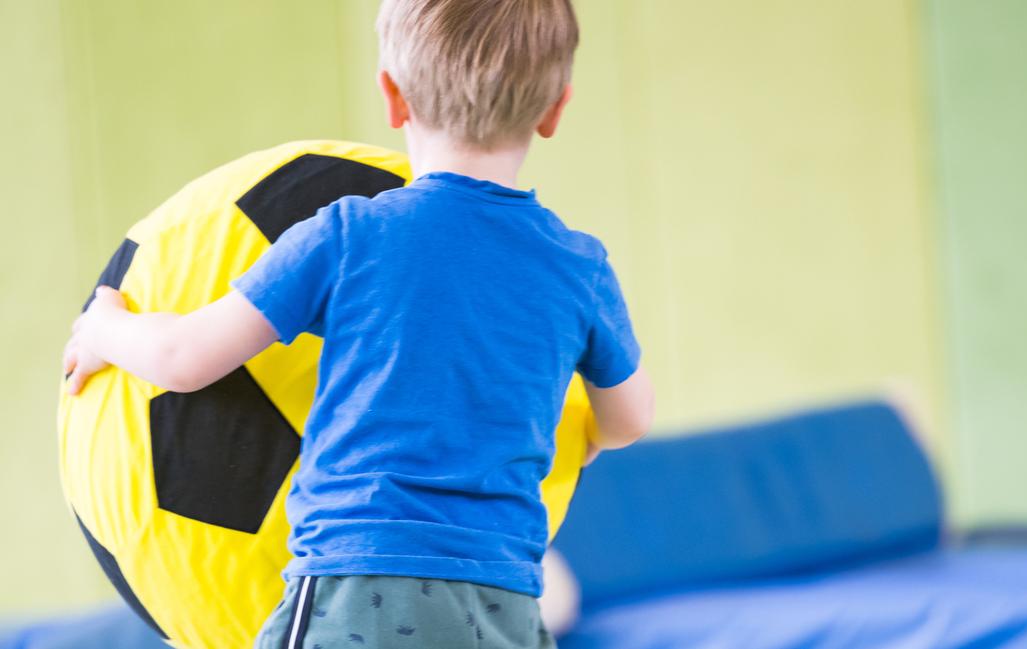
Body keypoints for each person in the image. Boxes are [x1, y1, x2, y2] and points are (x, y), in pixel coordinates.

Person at [63, 0, 653, 646]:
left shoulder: (349, 235)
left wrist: (105, 330)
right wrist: (585, 433)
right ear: (555, 110)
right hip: (501, 598)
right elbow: (630, 419)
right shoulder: (578, 267)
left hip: (353, 591)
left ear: (393, 96)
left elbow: (184, 357)